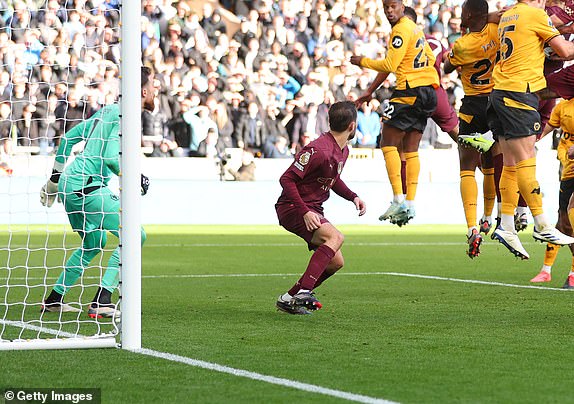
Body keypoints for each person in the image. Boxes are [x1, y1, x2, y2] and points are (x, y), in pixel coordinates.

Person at [39, 66, 155, 318]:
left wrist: (55, 180)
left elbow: (68, 138)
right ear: (144, 90)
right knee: (136, 235)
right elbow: (111, 157)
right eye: (154, 84)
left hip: (69, 185)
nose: (156, 89)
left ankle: (54, 298)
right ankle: (103, 299)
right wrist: (136, 178)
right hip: (87, 186)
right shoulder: (124, 116)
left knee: (94, 242)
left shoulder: (107, 112)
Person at [488, 0, 574, 259]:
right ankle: (542, 224)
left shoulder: (509, 15)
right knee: (526, 161)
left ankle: (506, 224)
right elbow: (566, 51)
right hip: (519, 94)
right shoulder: (536, 14)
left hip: (500, 92)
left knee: (511, 164)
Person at [350, 0, 438, 226]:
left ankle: (398, 199)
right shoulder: (417, 30)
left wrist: (362, 61)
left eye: (392, 6)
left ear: (402, 7)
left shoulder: (400, 29)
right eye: (386, 7)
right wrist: (370, 90)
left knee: (387, 142)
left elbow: (390, 64)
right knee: (410, 150)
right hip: (428, 92)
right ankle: (410, 203)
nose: (389, 11)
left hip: (409, 91)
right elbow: (429, 59)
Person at [275, 101, 366, 314]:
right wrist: (304, 211)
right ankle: (304, 291)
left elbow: (333, 180)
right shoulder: (317, 149)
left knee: (336, 262)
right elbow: (286, 179)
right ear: (352, 126)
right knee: (336, 238)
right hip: (293, 207)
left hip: (312, 209)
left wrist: (353, 197)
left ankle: (288, 299)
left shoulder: (342, 150)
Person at [443, 0, 498, 258]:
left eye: (463, 10)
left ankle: (472, 227)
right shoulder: (496, 31)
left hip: (473, 105)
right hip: (496, 104)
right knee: (489, 164)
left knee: (467, 167)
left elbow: (447, 67)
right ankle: (489, 216)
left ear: (469, 14)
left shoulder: (462, 45)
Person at [530, 98, 574, 288]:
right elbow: (546, 130)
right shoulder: (562, 106)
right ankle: (546, 270)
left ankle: (571, 274)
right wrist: (529, 141)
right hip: (567, 169)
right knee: (563, 222)